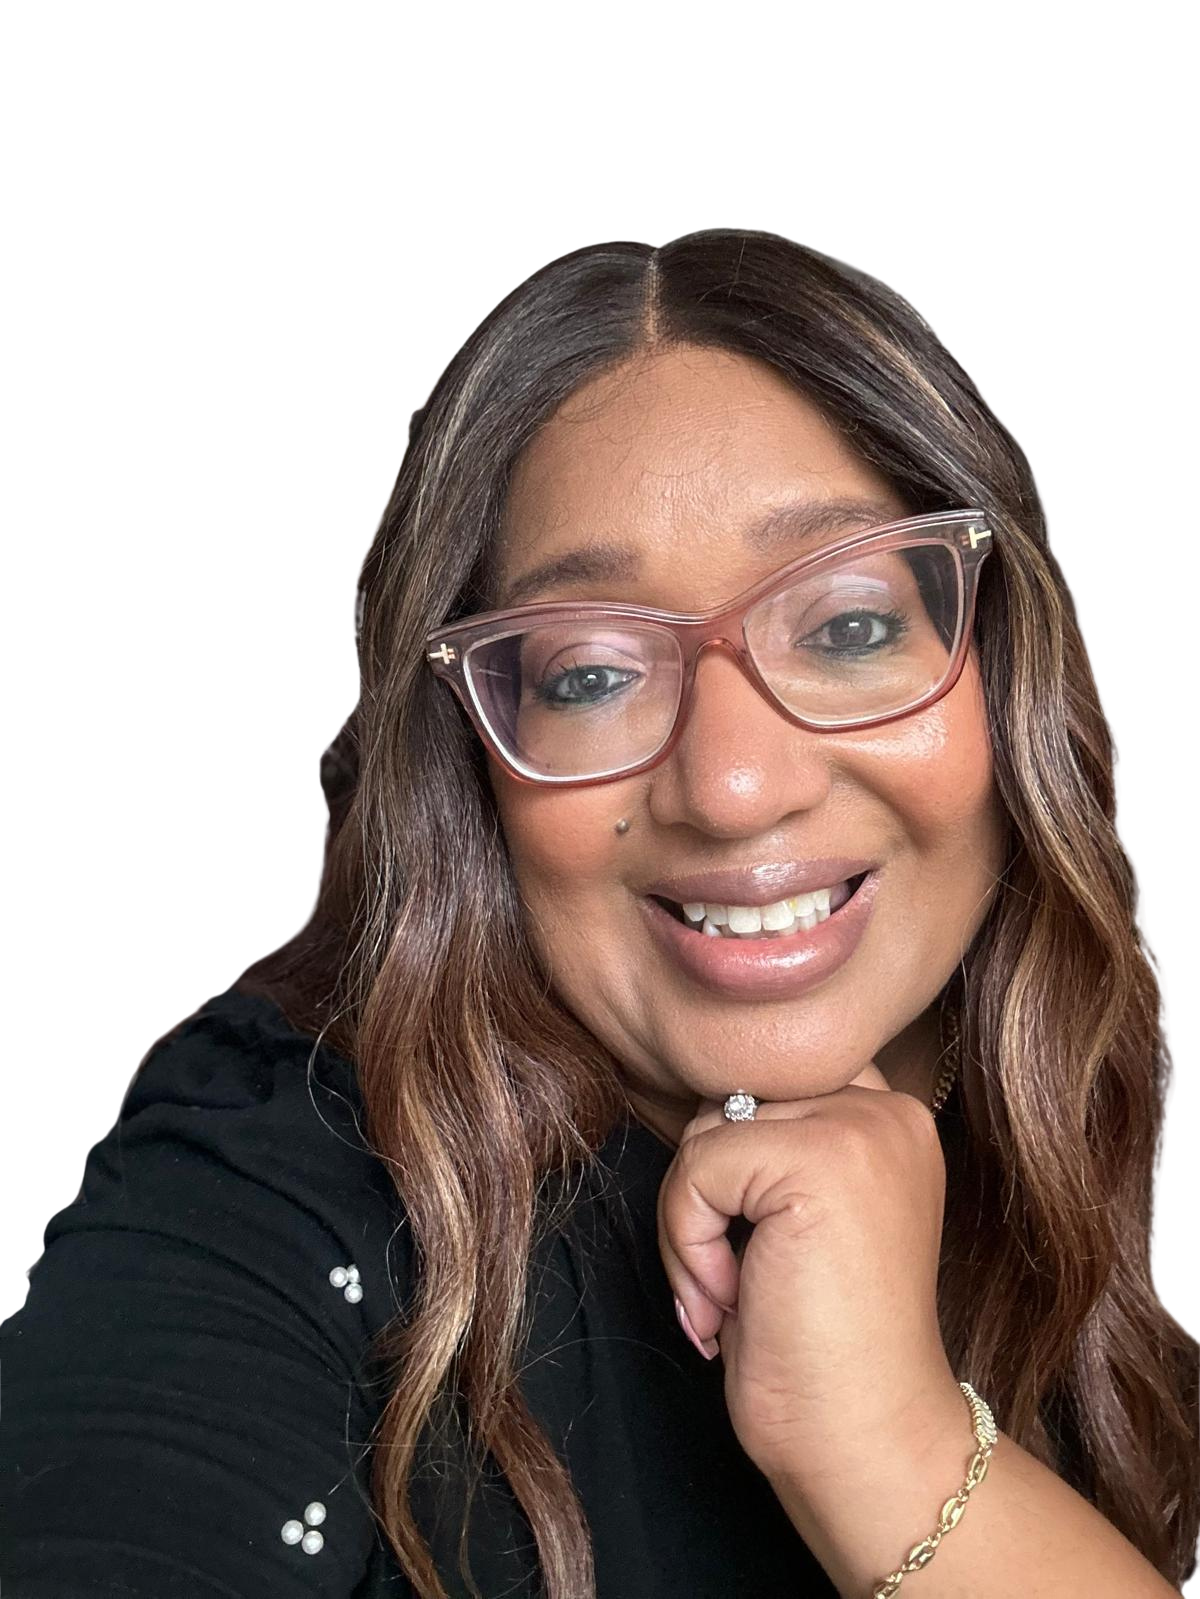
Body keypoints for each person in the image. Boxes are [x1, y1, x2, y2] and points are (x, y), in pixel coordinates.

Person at [3, 231, 1195, 1597]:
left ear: (1003, 668)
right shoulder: (290, 1181)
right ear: (473, 765)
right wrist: (894, 1452)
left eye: (850, 626)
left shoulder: (1086, 1102)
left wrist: (898, 1446)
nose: (734, 787)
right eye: (589, 674)